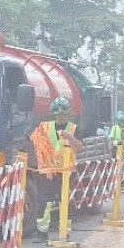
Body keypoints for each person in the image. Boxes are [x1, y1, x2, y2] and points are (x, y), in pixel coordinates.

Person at [28, 97, 85, 239]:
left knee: (64, 201)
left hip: (66, 172)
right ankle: (41, 232)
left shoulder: (74, 129)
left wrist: (70, 137)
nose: (60, 117)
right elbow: (36, 144)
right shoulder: (44, 127)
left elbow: (80, 147)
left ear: (68, 114)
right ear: (53, 113)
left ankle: (65, 231)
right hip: (47, 172)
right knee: (44, 202)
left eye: (63, 114)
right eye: (58, 114)